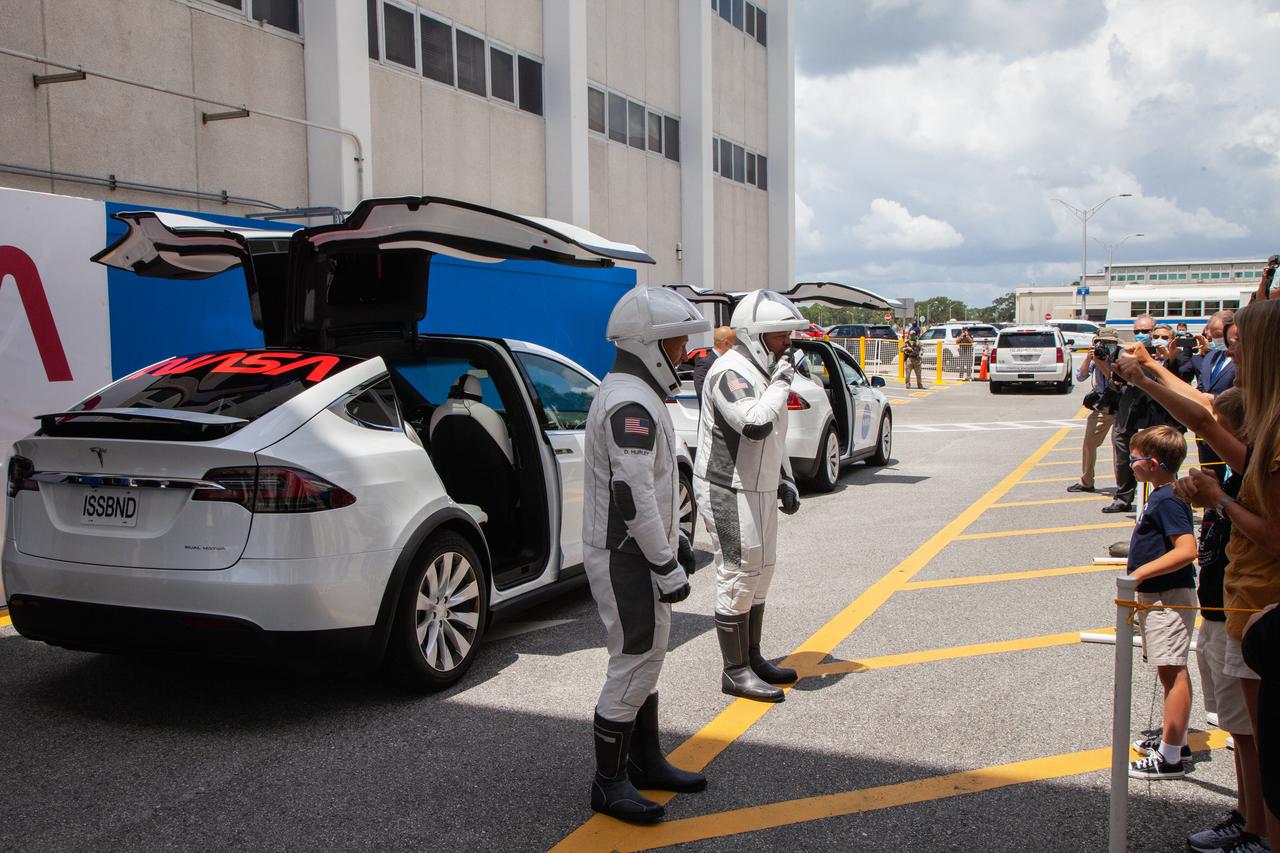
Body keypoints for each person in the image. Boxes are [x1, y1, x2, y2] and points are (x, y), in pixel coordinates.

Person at [1114, 297, 1280, 849]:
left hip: (1259, 603)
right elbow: (1206, 415)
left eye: (1240, 342)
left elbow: (1274, 534)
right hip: (1239, 598)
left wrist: (1219, 500)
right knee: (1246, 732)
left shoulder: (1273, 434)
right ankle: (1251, 821)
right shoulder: (1264, 422)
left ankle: (1261, 831)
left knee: (1260, 738)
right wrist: (1151, 373)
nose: (1230, 348)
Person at [581, 285, 710, 823]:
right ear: (650, 343)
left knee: (648, 656)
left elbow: (648, 487)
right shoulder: (629, 401)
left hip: (635, 549)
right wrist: (665, 563)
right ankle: (608, 784)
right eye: (677, 344)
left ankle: (645, 760)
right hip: (626, 554)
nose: (684, 353)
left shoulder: (636, 393)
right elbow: (630, 494)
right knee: (635, 658)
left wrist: (670, 545)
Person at [695, 289, 807, 704]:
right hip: (727, 487)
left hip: (758, 485)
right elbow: (755, 424)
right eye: (780, 336)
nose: (788, 343)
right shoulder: (730, 371)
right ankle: (734, 670)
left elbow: (775, 437)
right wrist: (781, 380)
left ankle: (753, 657)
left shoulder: (762, 370)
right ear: (756, 336)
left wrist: (786, 479)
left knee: (762, 572)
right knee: (739, 573)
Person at [1122, 425, 1199, 781]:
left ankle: (1170, 757)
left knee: (1173, 671)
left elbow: (1187, 550)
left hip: (1168, 597)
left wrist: (1139, 574)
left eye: (1134, 457)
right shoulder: (1160, 494)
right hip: (1158, 596)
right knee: (1169, 671)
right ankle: (1176, 738)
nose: (1130, 462)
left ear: (1152, 463)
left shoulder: (1168, 499)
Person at [1103, 315, 1184, 514]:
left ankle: (1166, 497)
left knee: (1160, 459)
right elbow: (1115, 379)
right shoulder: (1128, 353)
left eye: (1146, 331)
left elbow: (1180, 379)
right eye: (1137, 331)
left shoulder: (1172, 356)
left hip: (1157, 415)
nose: (1142, 336)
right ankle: (1123, 497)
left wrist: (1167, 359)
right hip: (1129, 411)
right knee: (1124, 457)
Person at [1183, 310, 1237, 483]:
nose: (1215, 340)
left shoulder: (1243, 359)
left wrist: (1217, 399)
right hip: (1206, 430)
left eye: (1219, 335)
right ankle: (1210, 510)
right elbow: (1200, 386)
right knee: (1208, 475)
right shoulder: (1209, 357)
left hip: (1233, 430)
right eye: (1211, 336)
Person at [1068, 327, 1119, 494]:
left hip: (1120, 406)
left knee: (1119, 446)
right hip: (1102, 406)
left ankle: (1123, 485)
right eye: (1102, 343)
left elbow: (1113, 379)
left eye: (1110, 343)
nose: (1105, 346)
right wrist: (1088, 358)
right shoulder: (1095, 356)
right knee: (1089, 443)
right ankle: (1086, 481)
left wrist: (1101, 363)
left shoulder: (1121, 356)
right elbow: (1081, 376)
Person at [693, 326, 736, 403]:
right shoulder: (704, 363)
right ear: (726, 343)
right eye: (733, 344)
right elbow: (702, 393)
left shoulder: (729, 361)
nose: (735, 348)